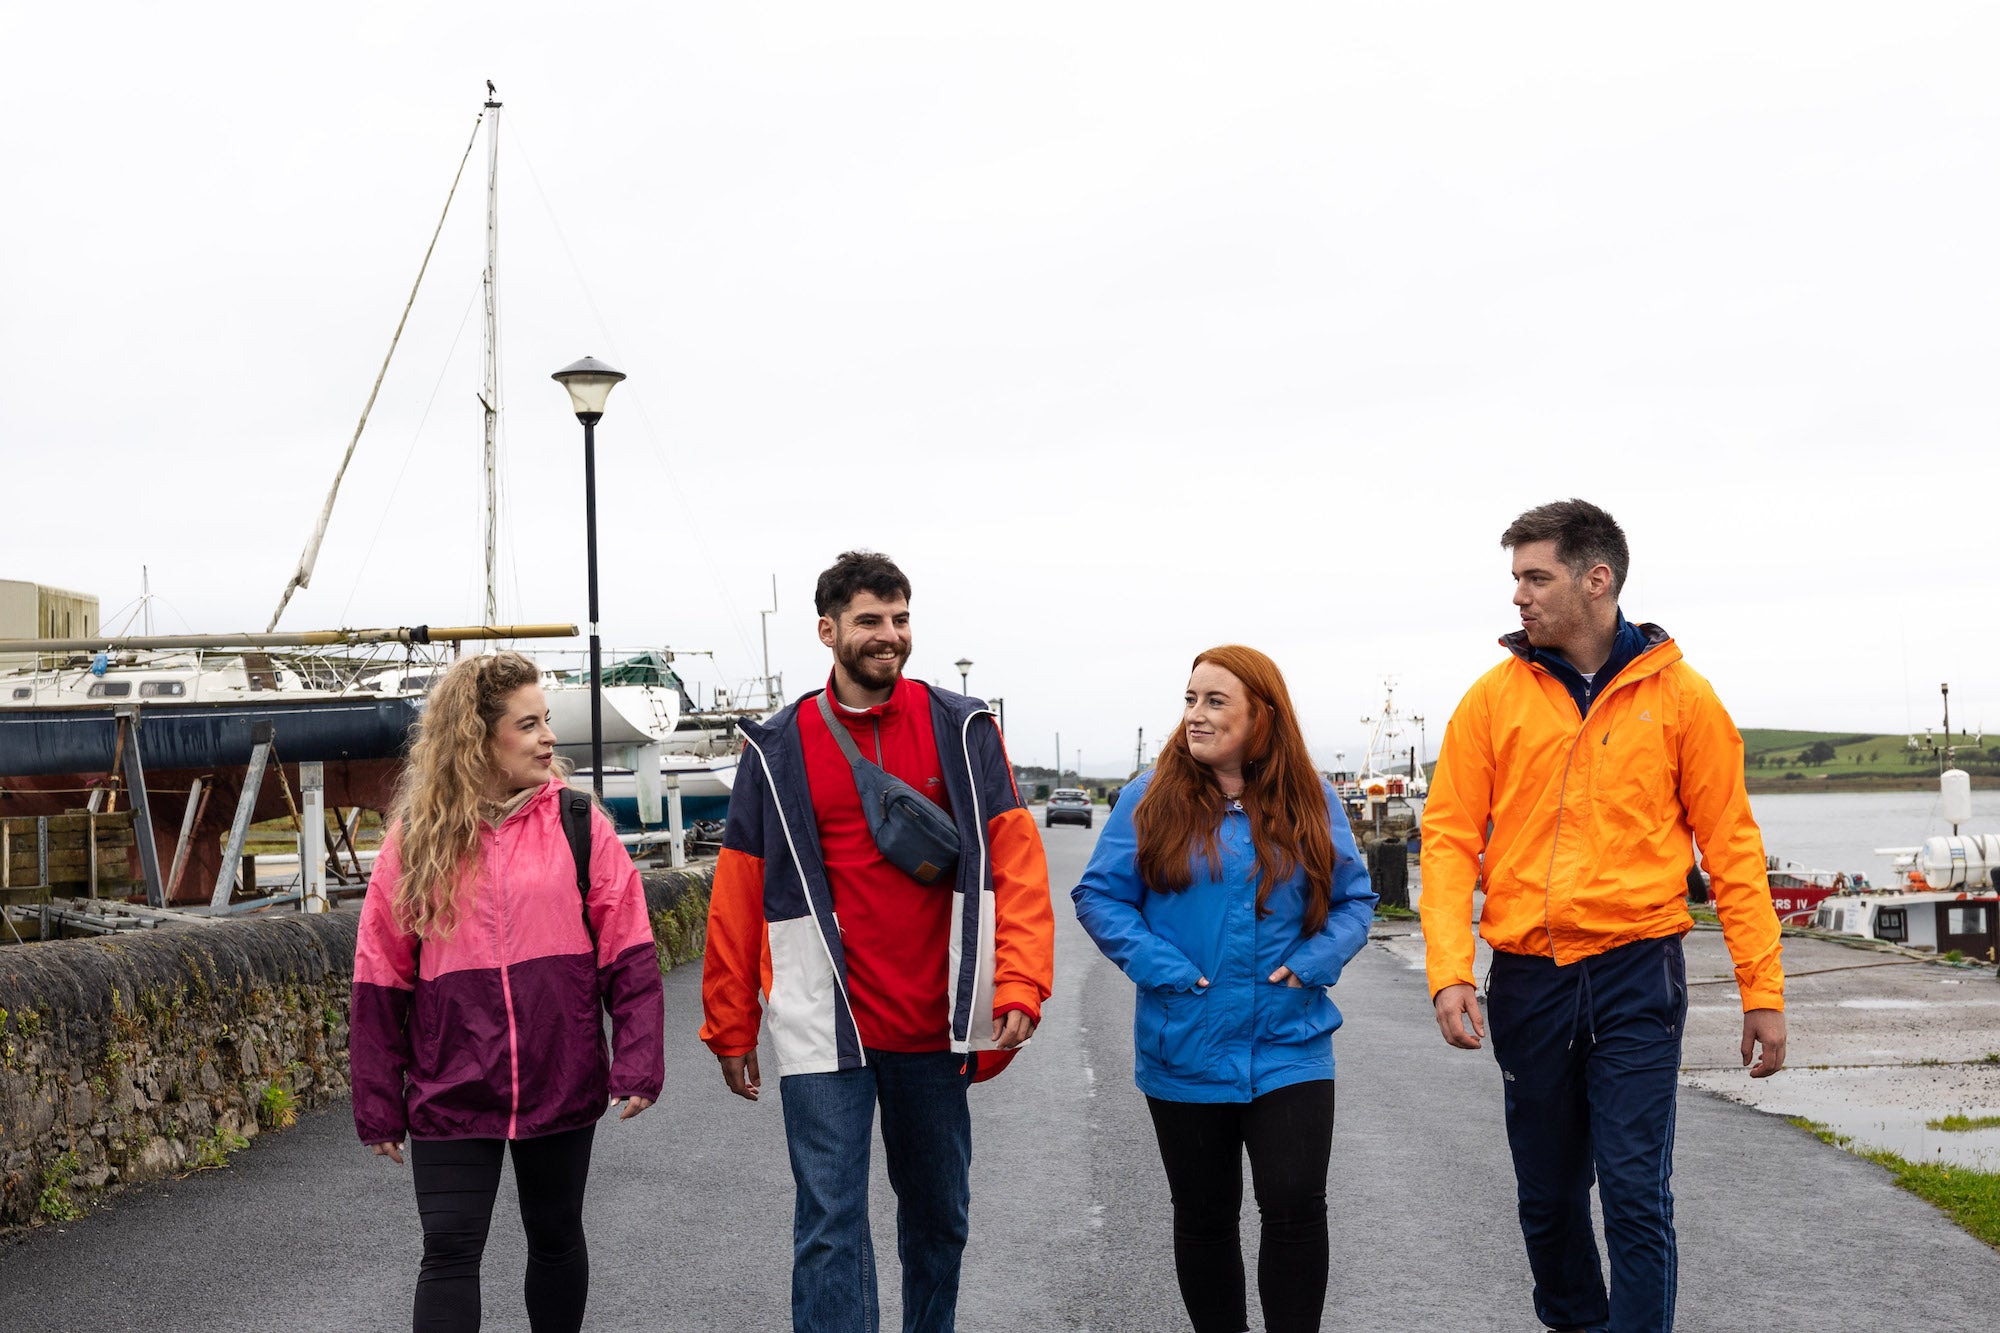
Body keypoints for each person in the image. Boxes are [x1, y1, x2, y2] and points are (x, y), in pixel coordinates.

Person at [1421, 499, 1786, 1333]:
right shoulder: (1491, 701)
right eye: (1516, 578)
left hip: (1637, 973)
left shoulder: (1684, 698)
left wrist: (1762, 990)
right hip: (1529, 979)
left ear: (1598, 578)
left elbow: (1732, 850)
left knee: (1632, 1190)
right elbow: (1445, 842)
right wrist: (1449, 969)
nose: (1519, 596)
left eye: (1535, 577)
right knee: (1548, 1201)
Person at [700, 550, 1056, 1333]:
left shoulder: (962, 730)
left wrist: (1020, 980)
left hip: (935, 1021)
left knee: (939, 1219)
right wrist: (729, 1019)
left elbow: (1018, 868)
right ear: (828, 630)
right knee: (828, 1226)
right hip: (823, 1024)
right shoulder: (779, 746)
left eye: (899, 619)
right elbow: (737, 892)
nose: (888, 635)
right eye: (869, 620)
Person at [350, 650, 666, 1333]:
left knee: (556, 1238)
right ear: (479, 736)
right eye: (529, 724)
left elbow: (630, 951)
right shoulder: (416, 840)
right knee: (449, 1250)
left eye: (546, 720)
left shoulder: (581, 825)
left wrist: (638, 1061)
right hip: (451, 1083)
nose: (549, 737)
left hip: (560, 1074)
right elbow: (380, 973)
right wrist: (378, 1097)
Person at [1072, 645, 1377, 1333]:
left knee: (1296, 1203)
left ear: (1261, 713)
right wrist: (1164, 968)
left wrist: (1314, 960)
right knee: (1206, 1215)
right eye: (1189, 699)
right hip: (1186, 1040)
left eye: (1215, 701)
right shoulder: (1148, 796)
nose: (1195, 716)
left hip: (1290, 1039)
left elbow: (1358, 899)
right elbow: (1100, 896)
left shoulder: (1312, 798)